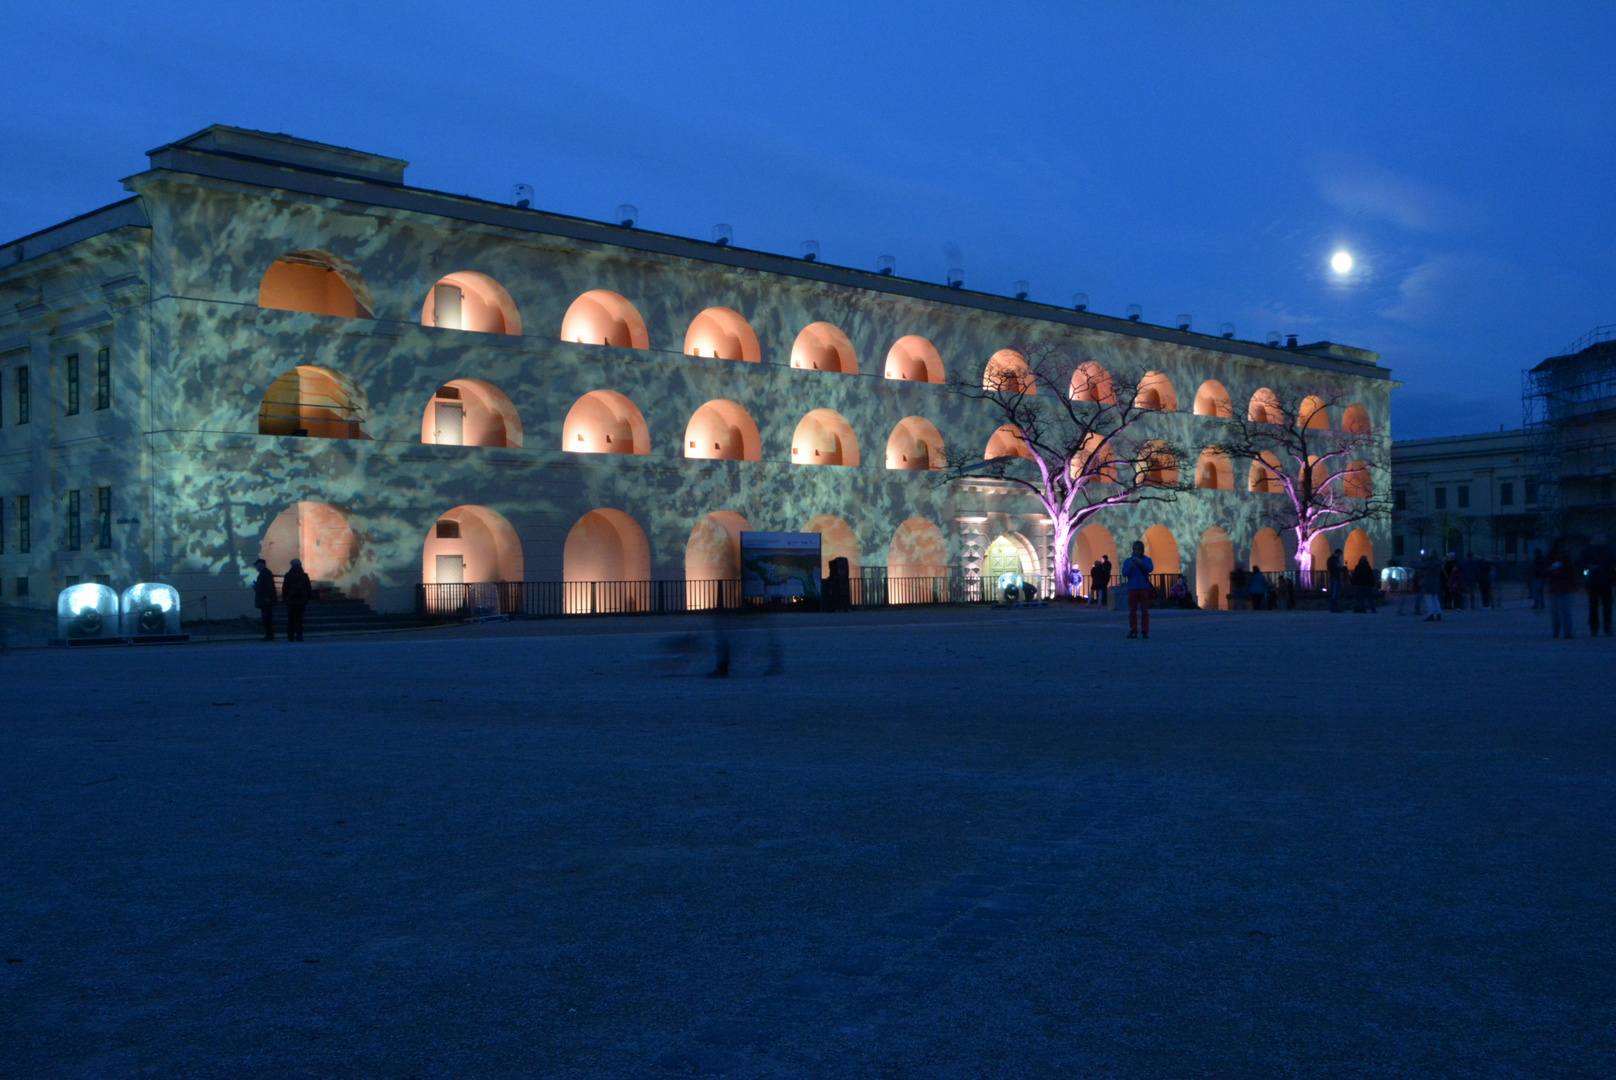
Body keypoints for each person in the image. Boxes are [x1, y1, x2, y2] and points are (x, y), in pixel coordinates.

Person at [1120, 540, 1154, 639]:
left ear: (1142, 550)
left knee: (1145, 611)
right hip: (1132, 588)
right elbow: (1124, 573)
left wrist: (1141, 563)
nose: (1137, 551)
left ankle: (1145, 631)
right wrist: (1131, 566)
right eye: (1135, 549)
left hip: (1144, 588)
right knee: (1132, 611)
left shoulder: (1147, 560)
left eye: (1139, 549)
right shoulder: (1128, 561)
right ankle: (1133, 630)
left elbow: (1150, 568)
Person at [1582, 536, 1615, 637]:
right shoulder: (1589, 550)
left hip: (1604, 581)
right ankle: (1596, 628)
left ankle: (1605, 628)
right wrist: (1588, 567)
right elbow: (1579, 562)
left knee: (1606, 607)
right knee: (1595, 607)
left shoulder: (1609, 550)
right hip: (1595, 582)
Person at [1547, 542, 1578, 639]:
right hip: (1563, 588)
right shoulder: (1567, 561)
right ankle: (1565, 632)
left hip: (1557, 588)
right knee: (1564, 611)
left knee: (1557, 611)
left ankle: (1557, 632)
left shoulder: (1554, 559)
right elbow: (1572, 574)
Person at [281, 558, 313, 642]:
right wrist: (307, 598)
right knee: (300, 619)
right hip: (301, 600)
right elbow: (308, 588)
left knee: (291, 619)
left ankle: (290, 636)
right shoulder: (304, 575)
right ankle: (299, 636)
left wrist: (284, 598)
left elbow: (285, 588)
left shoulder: (288, 575)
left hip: (291, 600)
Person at [252, 558, 278, 641]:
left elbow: (267, 587)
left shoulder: (265, 574)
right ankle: (269, 635)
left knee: (267, 619)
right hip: (266, 600)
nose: (256, 567)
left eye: (257, 565)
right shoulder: (265, 573)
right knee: (267, 618)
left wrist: (267, 597)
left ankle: (269, 635)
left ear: (261, 564)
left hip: (265, 601)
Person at [1419, 551, 1443, 621]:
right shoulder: (1439, 562)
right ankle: (1439, 613)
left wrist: (1422, 560)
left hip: (1428, 581)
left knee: (1428, 598)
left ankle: (1431, 614)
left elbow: (1420, 567)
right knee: (1435, 598)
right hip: (1436, 581)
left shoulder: (1428, 562)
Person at [1326, 548, 1344, 613]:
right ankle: (1334, 608)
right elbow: (1331, 568)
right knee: (1334, 593)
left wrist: (1341, 569)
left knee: (1335, 593)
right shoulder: (1332, 560)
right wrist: (1340, 569)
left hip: (1336, 577)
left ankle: (1335, 608)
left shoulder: (1335, 560)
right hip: (1334, 577)